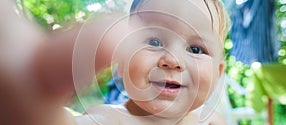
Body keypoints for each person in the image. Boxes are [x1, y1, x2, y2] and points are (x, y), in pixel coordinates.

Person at [0, 0, 230, 125]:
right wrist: (35, 109)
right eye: (154, 41)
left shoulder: (209, 121)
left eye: (196, 49)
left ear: (218, 72)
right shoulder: (111, 119)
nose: (172, 60)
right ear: (121, 62)